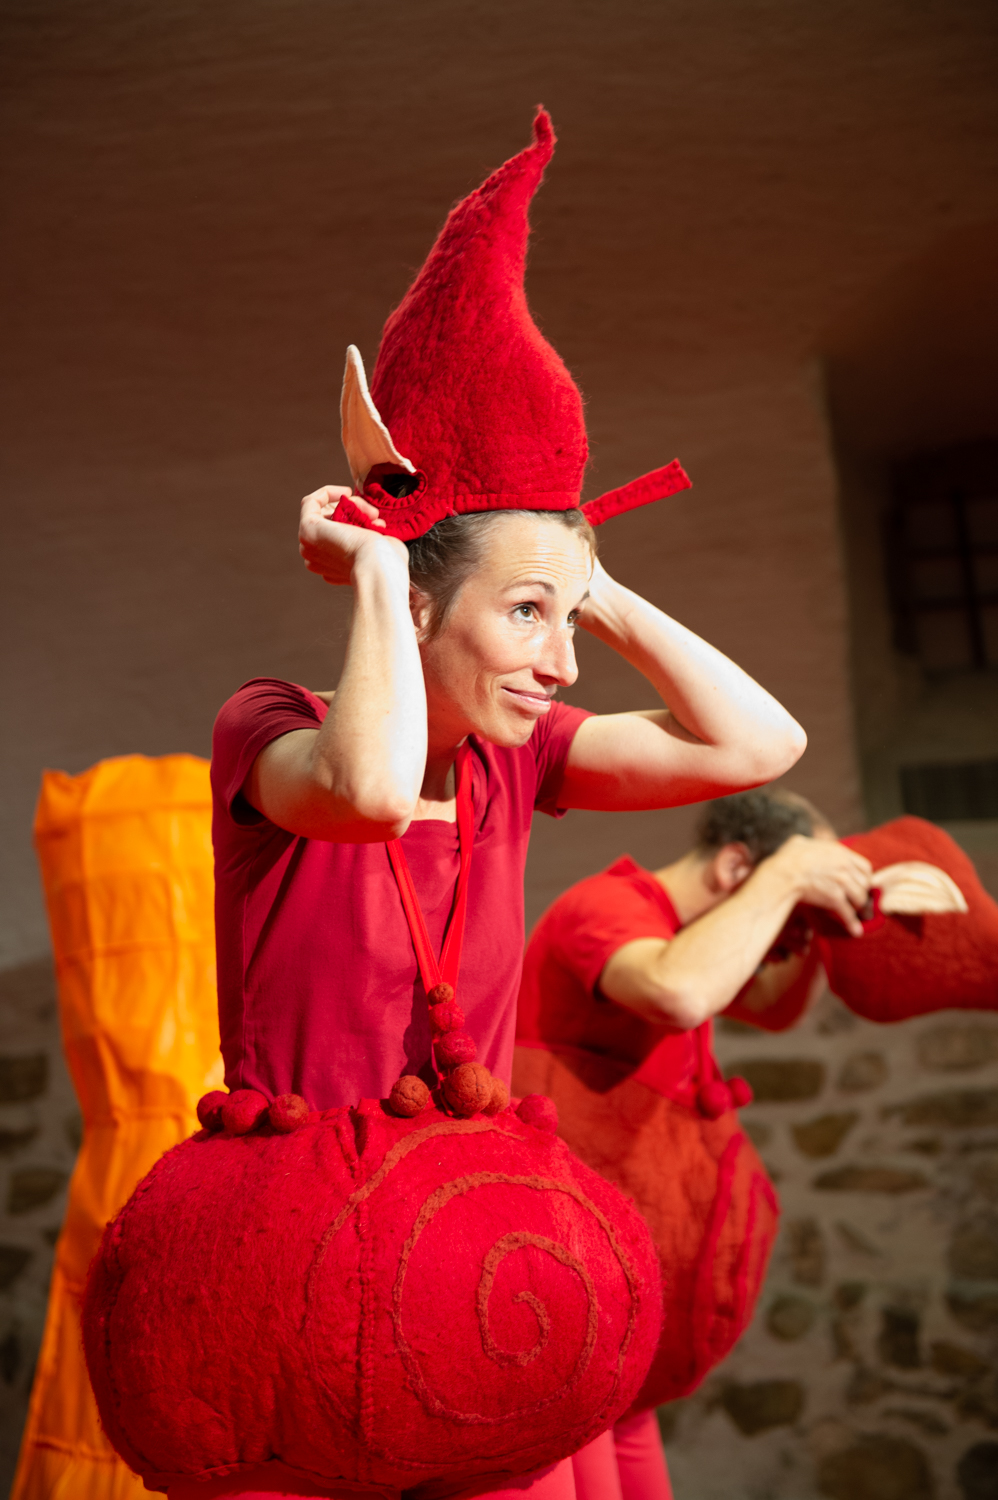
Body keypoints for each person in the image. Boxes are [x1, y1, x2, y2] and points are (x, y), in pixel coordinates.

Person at [84, 113, 806, 1500]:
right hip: (298, 1274)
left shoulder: (516, 756)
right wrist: (376, 566)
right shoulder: (267, 726)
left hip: (477, 1265)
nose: (560, 663)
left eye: (563, 625)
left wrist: (578, 575)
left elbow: (757, 742)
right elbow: (362, 791)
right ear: (417, 606)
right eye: (523, 617)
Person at [513, 789, 873, 1500]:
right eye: (793, 914)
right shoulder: (605, 905)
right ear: (736, 867)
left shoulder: (691, 936)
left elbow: (771, 1003)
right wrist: (786, 878)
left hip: (623, 1329)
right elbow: (677, 989)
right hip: (566, 1316)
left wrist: (837, 907)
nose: (795, 941)